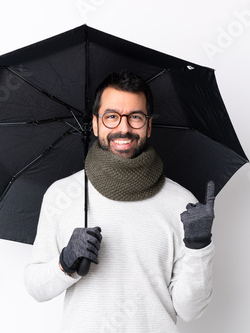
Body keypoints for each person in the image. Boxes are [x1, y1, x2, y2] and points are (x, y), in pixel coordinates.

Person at [24, 71, 215, 332]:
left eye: (135, 117)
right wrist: (65, 262)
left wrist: (199, 248)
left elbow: (190, 311)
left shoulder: (182, 203)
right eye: (112, 117)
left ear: (148, 125)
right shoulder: (63, 194)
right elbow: (36, 287)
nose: (123, 128)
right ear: (95, 123)